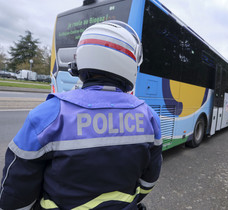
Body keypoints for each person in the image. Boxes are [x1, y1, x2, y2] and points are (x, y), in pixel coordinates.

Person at [0, 20, 162, 210]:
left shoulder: (49, 113)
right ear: (129, 64)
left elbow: (16, 190)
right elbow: (148, 180)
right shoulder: (150, 117)